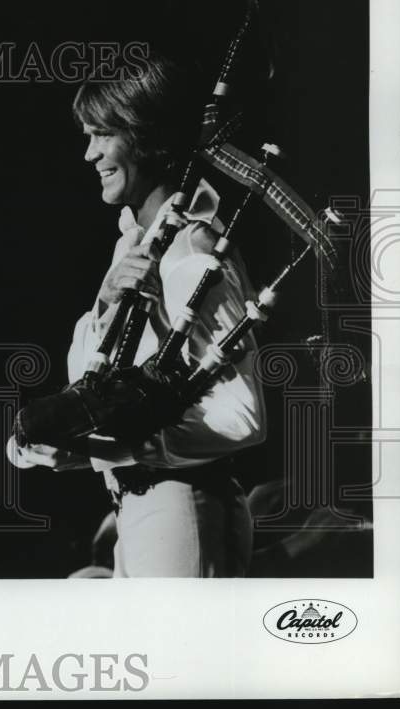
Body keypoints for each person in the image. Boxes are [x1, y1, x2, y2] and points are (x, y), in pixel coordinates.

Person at [61, 54, 266, 577]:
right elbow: (94, 382)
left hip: (182, 511)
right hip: (140, 509)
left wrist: (113, 448)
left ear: (145, 136)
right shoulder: (135, 244)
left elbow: (242, 419)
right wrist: (105, 304)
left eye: (102, 135)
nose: (90, 154)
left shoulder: (193, 252)